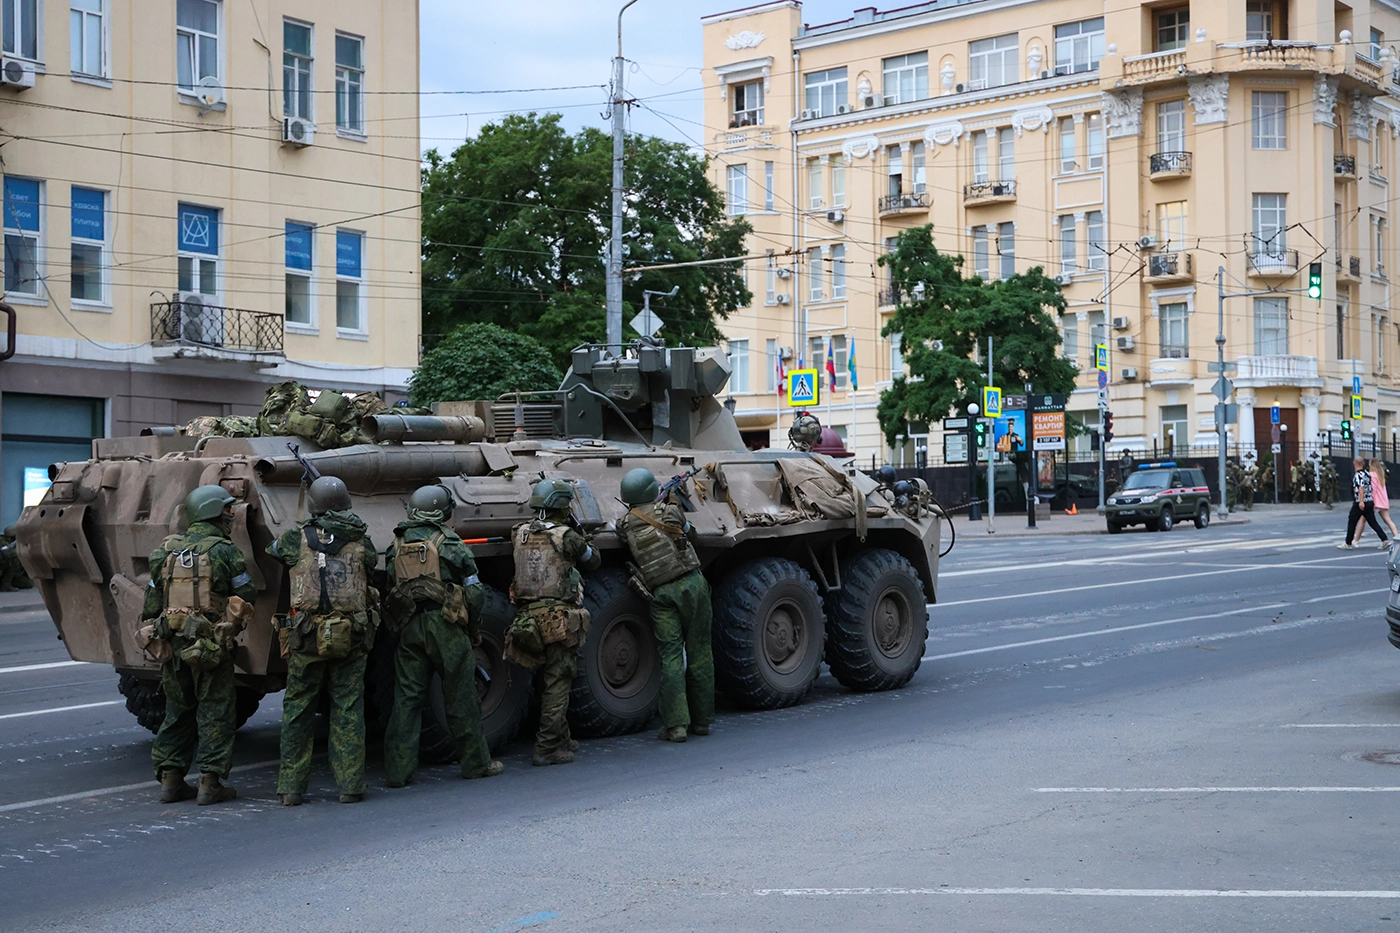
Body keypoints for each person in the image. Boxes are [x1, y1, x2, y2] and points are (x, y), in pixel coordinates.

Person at [266, 476, 378, 806]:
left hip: (305, 636)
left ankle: (291, 789)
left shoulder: (293, 539)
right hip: (350, 637)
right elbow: (370, 565)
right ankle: (351, 786)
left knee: (298, 710)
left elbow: (273, 551)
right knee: (347, 709)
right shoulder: (361, 539)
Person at [141, 485, 256, 805]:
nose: (231, 516)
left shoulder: (164, 552)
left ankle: (171, 779)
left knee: (177, 710)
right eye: (227, 511)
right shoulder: (225, 551)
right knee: (216, 710)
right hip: (210, 645)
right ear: (213, 513)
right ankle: (210, 783)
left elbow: (150, 605)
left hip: (171, 643)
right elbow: (246, 597)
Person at [382, 485, 502, 785]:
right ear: (441, 511)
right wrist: (473, 630)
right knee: (461, 698)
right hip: (446, 627)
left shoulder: (395, 544)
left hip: (411, 627)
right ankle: (476, 764)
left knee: (406, 700)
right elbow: (474, 592)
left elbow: (390, 584)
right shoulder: (451, 543)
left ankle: (398, 771)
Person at [505, 479, 601, 766]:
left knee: (547, 679)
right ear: (561, 506)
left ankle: (562, 738)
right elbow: (592, 560)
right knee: (558, 681)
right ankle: (547, 748)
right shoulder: (567, 536)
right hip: (558, 619)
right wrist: (583, 535)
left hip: (527, 619)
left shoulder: (519, 533)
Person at [616, 468, 713, 743]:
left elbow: (627, 529)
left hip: (661, 594)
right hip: (692, 585)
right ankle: (703, 722)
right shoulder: (670, 513)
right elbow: (690, 534)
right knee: (700, 652)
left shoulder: (624, 524)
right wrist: (672, 495)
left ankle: (676, 726)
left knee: (670, 657)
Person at [1340, 456, 1390, 549]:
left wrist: (1361, 501)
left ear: (1355, 463)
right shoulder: (1367, 474)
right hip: (1369, 501)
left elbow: (1361, 487)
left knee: (1352, 521)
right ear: (1363, 464)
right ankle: (1384, 539)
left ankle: (1348, 543)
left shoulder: (1358, 475)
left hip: (1360, 502)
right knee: (1372, 522)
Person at [1372, 460, 1399, 540]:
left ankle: (1355, 538)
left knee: (1363, 520)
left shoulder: (1373, 475)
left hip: (1376, 501)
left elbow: (1373, 489)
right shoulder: (1381, 476)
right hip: (1383, 501)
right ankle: (1396, 536)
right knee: (1388, 520)